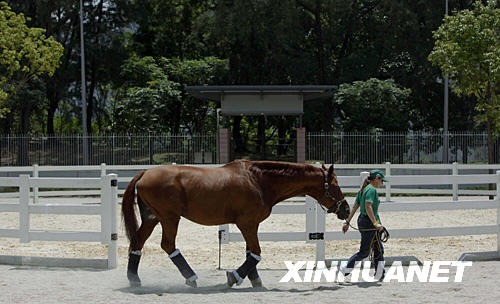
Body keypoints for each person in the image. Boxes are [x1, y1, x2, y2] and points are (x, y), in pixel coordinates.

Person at [340, 169, 388, 281]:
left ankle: (380, 274)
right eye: (382, 180)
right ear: (376, 179)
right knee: (365, 251)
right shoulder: (371, 190)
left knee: (378, 248)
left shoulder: (362, 190)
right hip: (369, 222)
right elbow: (368, 206)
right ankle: (344, 269)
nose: (382, 183)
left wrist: (347, 221)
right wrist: (376, 223)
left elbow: (355, 206)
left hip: (363, 220)